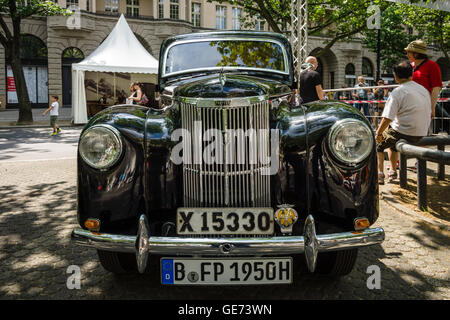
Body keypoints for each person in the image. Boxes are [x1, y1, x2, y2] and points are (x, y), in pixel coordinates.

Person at [375, 61, 431, 185]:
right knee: (391, 140)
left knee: (378, 143)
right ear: (411, 74)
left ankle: (380, 173)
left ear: (395, 76)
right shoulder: (423, 90)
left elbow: (387, 117)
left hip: (404, 132)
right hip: (423, 132)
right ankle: (393, 170)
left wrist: (378, 133)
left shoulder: (398, 92)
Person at [405, 40, 442, 120]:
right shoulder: (409, 66)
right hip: (408, 107)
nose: (406, 55)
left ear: (417, 53)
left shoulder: (432, 65)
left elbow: (436, 88)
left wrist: (432, 108)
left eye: (409, 52)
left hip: (423, 107)